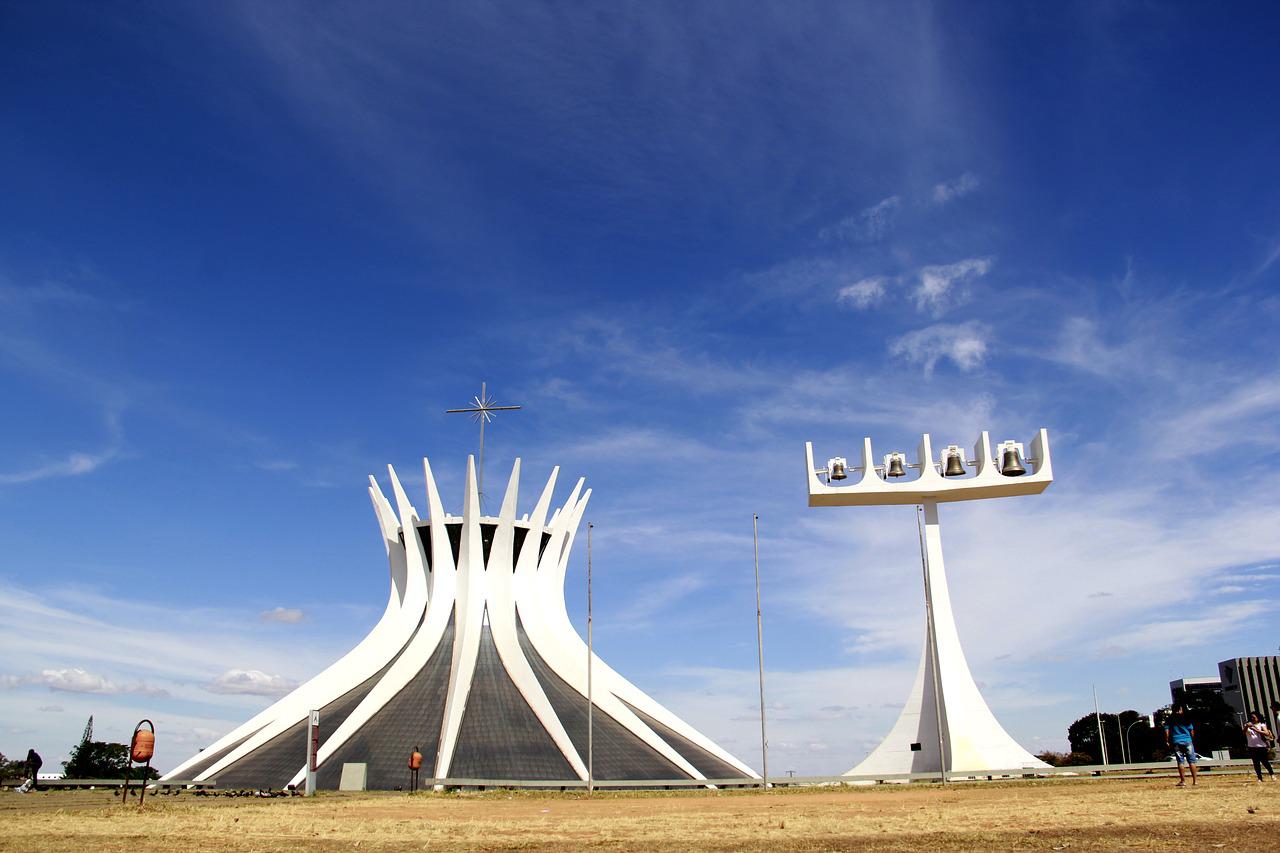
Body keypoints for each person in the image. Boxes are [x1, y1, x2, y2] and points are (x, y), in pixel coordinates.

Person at [1165, 705, 1198, 787]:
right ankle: (1195, 781)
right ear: (1180, 709)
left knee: (1180, 762)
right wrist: (1191, 739)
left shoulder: (1169, 719)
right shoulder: (1186, 718)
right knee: (1192, 762)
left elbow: (1166, 732)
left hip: (1176, 741)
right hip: (1187, 741)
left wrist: (1167, 741)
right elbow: (1191, 730)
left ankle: (1183, 781)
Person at [1243, 711, 1276, 782]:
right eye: (1251, 717)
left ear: (1258, 717)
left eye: (1254, 717)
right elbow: (1243, 732)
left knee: (1265, 762)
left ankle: (1272, 774)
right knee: (1256, 763)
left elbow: (1266, 733)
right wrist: (1246, 726)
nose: (1253, 718)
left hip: (1261, 746)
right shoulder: (1248, 724)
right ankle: (1259, 777)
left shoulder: (1261, 724)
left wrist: (1256, 730)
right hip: (1251, 746)